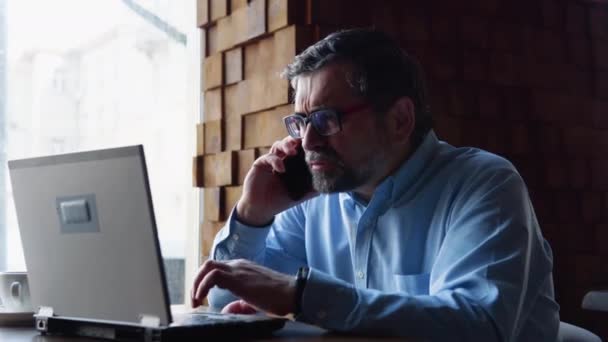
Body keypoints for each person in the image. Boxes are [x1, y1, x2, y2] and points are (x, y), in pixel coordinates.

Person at [191, 28, 560, 341]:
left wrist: (301, 296)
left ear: (400, 120)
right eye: (301, 122)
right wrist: (253, 216)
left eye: (326, 119)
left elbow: (478, 326)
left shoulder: (485, 185)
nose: (307, 142)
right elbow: (222, 301)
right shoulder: (314, 197)